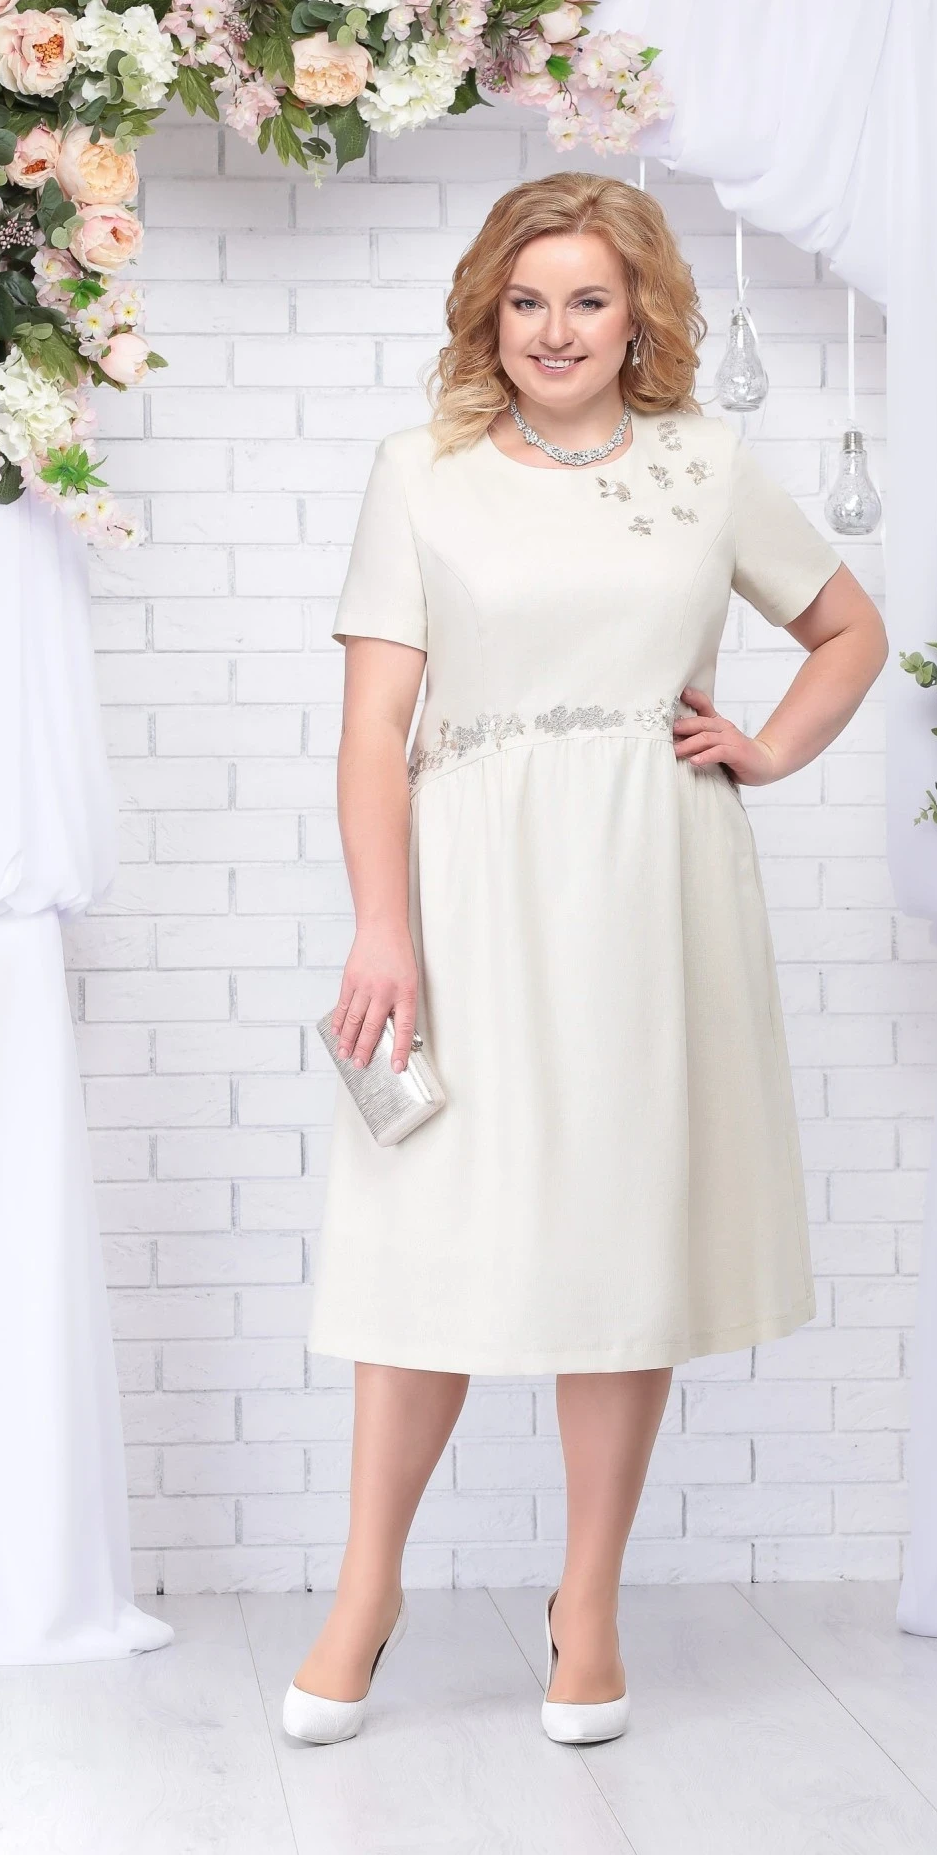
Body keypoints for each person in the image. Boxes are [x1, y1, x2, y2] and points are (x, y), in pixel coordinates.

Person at [282, 173, 888, 1747]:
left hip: (653, 888)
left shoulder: (706, 466)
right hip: (469, 893)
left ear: (641, 317)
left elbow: (851, 633)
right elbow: (372, 729)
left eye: (589, 300)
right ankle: (366, 1591)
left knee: (621, 1245)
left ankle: (589, 1605)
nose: (555, 330)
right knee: (431, 1241)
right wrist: (384, 927)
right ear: (491, 312)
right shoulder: (419, 472)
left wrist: (769, 748)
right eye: (528, 299)